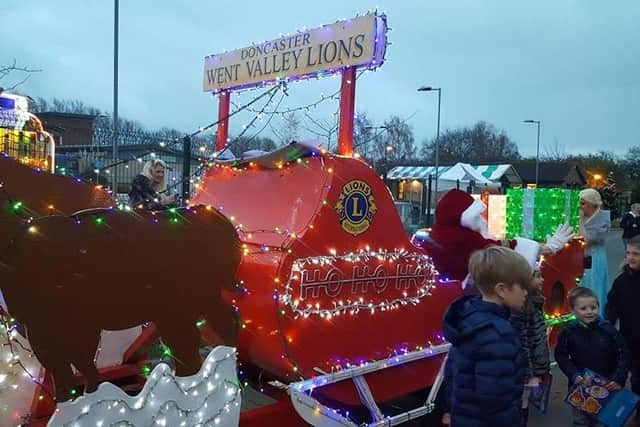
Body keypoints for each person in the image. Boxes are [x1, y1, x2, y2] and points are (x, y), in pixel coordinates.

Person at [441, 246, 530, 427]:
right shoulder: (497, 334)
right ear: (502, 290)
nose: (526, 293)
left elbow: (451, 373)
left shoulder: (468, 319)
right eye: (523, 286)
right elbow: (496, 399)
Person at [412, 189, 574, 286]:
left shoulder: (435, 233)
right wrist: (550, 247)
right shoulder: (464, 239)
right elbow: (505, 248)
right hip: (468, 296)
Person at [555, 287, 629, 427]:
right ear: (573, 310)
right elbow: (561, 355)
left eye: (593, 307)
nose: (589, 311)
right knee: (580, 421)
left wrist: (618, 379)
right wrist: (574, 375)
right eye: (583, 308)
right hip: (579, 387)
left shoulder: (608, 330)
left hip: (606, 387)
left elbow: (623, 355)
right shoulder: (568, 331)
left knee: (601, 421)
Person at [605, 235, 640, 425]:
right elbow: (612, 307)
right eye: (628, 253)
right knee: (636, 378)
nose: (631, 257)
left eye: (636, 254)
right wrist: (607, 326)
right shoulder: (621, 281)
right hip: (630, 338)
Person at [510, 267, 550, 426]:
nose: (542, 280)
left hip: (535, 367)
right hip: (527, 370)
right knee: (521, 401)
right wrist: (530, 374)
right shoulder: (521, 308)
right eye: (538, 277)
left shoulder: (535, 301)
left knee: (525, 401)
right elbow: (523, 343)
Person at [578, 188, 611, 308]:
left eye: (583, 203)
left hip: (594, 259)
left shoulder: (603, 219)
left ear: (592, 204)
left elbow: (586, 240)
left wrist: (581, 222)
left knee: (593, 288)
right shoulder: (575, 217)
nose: (579, 206)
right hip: (578, 259)